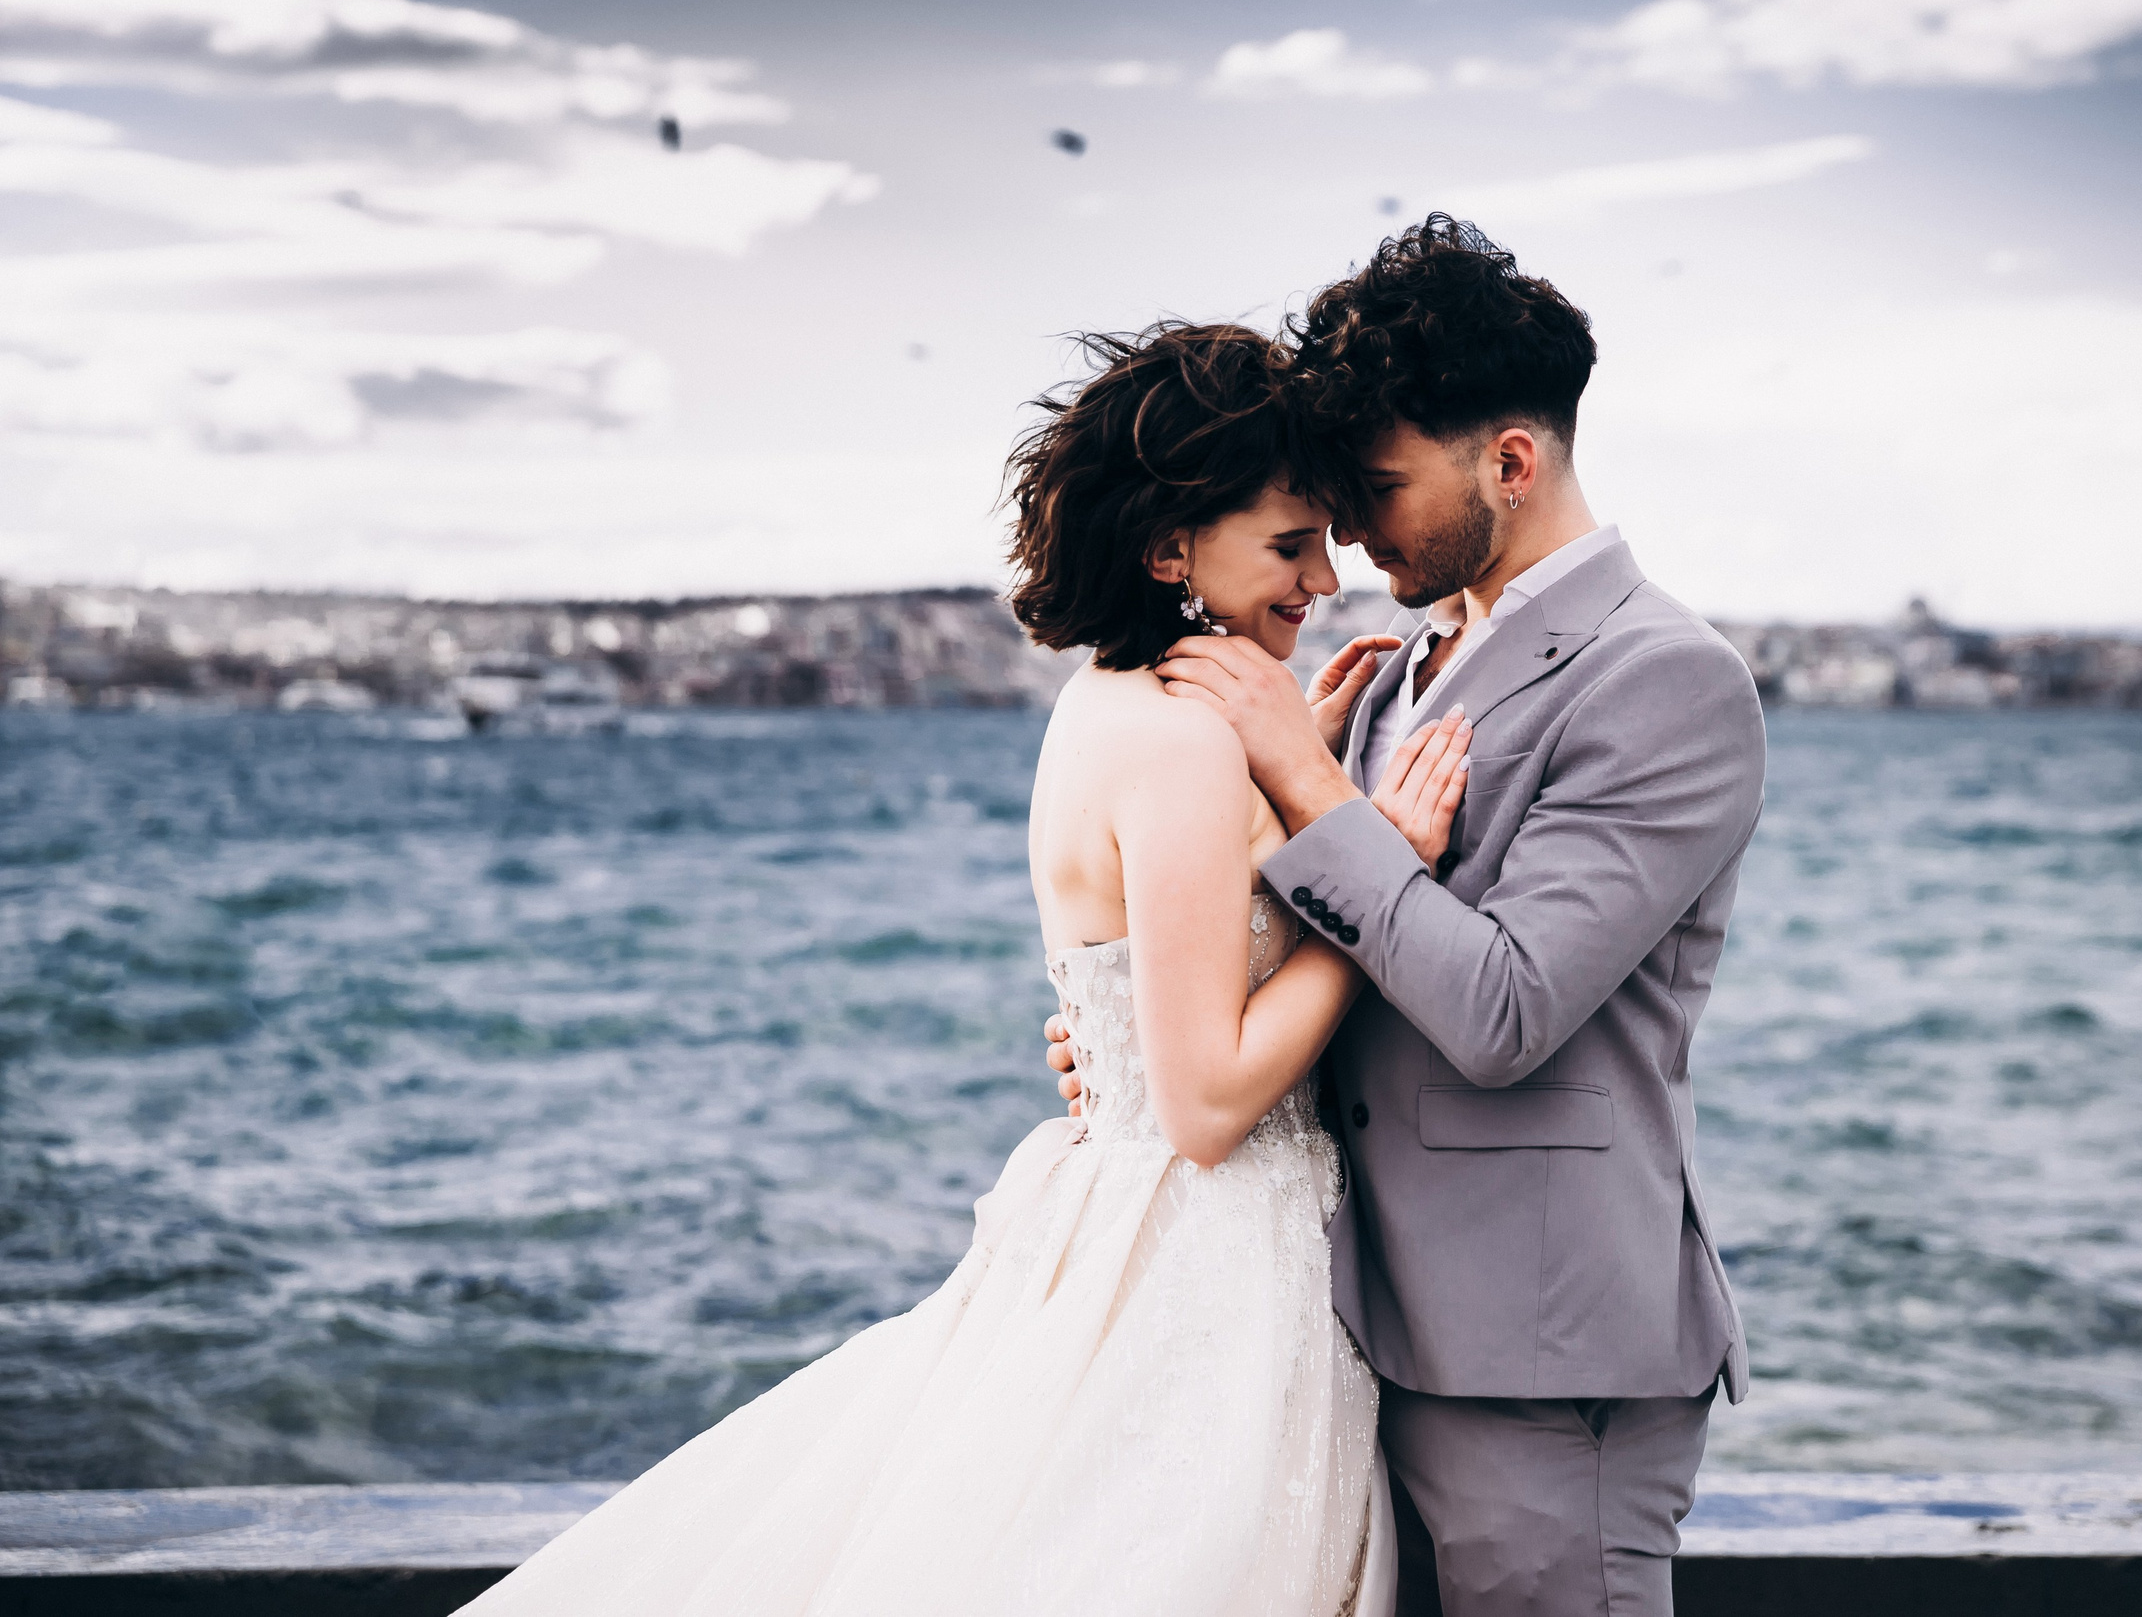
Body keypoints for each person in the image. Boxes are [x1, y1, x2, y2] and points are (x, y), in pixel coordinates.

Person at [455, 323, 1471, 1617]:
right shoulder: (1181, 746)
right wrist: (1379, 885)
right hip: (1207, 1269)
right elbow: (1208, 1104)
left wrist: (1293, 783)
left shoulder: (1108, 704)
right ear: (1171, 549)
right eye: (1289, 544)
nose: (1326, 576)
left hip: (1135, 1234)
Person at [1058, 219, 1767, 1617]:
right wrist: (1146, 1038)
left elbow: (1502, 1009)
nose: (1351, 535)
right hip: (1352, 1328)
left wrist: (1311, 783)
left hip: (1540, 1364)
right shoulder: (1406, 665)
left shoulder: (1664, 678)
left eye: (1377, 490)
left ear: (1511, 463)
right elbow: (1338, 944)